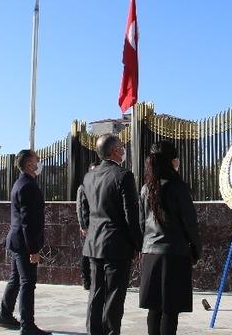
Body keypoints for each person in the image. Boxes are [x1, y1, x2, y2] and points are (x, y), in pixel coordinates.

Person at [138, 141, 201, 335]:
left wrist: (143, 247)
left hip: (150, 253)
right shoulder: (178, 187)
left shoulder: (146, 189)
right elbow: (189, 222)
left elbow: (141, 223)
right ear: (172, 161)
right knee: (170, 309)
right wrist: (196, 249)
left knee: (154, 307)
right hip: (174, 253)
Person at [82, 134, 142, 335]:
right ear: (115, 151)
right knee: (114, 296)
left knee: (96, 293)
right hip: (117, 245)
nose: (124, 150)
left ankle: (94, 331)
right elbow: (131, 216)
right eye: (122, 147)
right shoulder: (123, 175)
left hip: (94, 242)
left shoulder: (89, 176)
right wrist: (138, 244)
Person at [0, 149, 51, 335]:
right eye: (37, 160)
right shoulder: (29, 186)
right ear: (29, 164)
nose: (39, 162)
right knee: (28, 282)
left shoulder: (20, 183)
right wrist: (34, 249)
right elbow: (29, 221)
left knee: (16, 279)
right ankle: (27, 325)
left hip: (16, 240)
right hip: (24, 242)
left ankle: (5, 315)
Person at [75, 161, 100, 291]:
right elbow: (80, 207)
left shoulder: (101, 185)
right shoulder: (83, 187)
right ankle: (86, 279)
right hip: (88, 225)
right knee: (86, 253)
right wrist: (83, 225)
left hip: (99, 225)